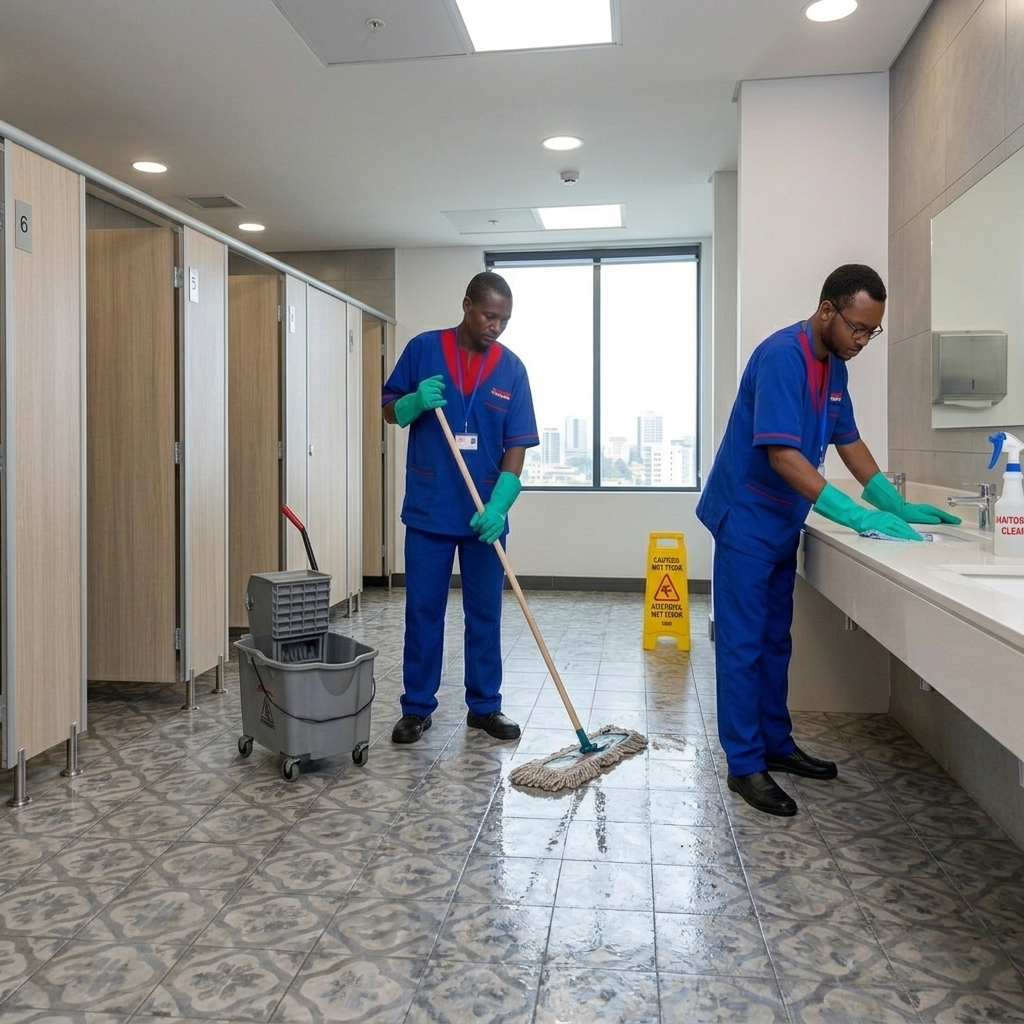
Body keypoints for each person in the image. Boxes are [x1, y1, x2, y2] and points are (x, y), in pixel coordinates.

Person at [696, 264, 960, 816]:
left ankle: (776, 744)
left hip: (783, 519)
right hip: (746, 518)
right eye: (858, 328)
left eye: (872, 331)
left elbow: (849, 440)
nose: (863, 340)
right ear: (827, 311)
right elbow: (782, 454)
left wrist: (892, 501)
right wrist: (852, 514)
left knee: (776, 640)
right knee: (744, 646)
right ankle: (745, 765)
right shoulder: (780, 357)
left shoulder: (833, 367)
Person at [382, 271, 539, 744]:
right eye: (490, 315)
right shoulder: (424, 349)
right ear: (467, 304)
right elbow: (388, 409)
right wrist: (411, 402)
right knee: (423, 610)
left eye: (505, 320)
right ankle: (417, 707)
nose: (497, 327)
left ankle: (485, 707)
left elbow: (517, 445)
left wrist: (501, 502)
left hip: (483, 515)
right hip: (430, 508)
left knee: (485, 612)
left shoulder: (512, 369)